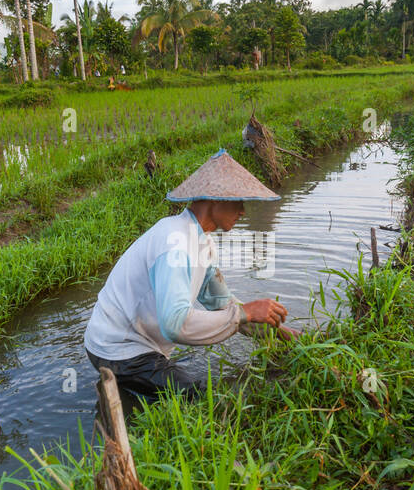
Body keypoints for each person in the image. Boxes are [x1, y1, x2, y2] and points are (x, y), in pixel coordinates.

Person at [83, 149, 295, 402]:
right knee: (203, 396)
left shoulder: (202, 242)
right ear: (215, 200)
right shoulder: (176, 244)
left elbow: (221, 304)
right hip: (118, 351)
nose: (243, 211)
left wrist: (285, 336)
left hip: (143, 343)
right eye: (238, 201)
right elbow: (175, 325)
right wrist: (245, 312)